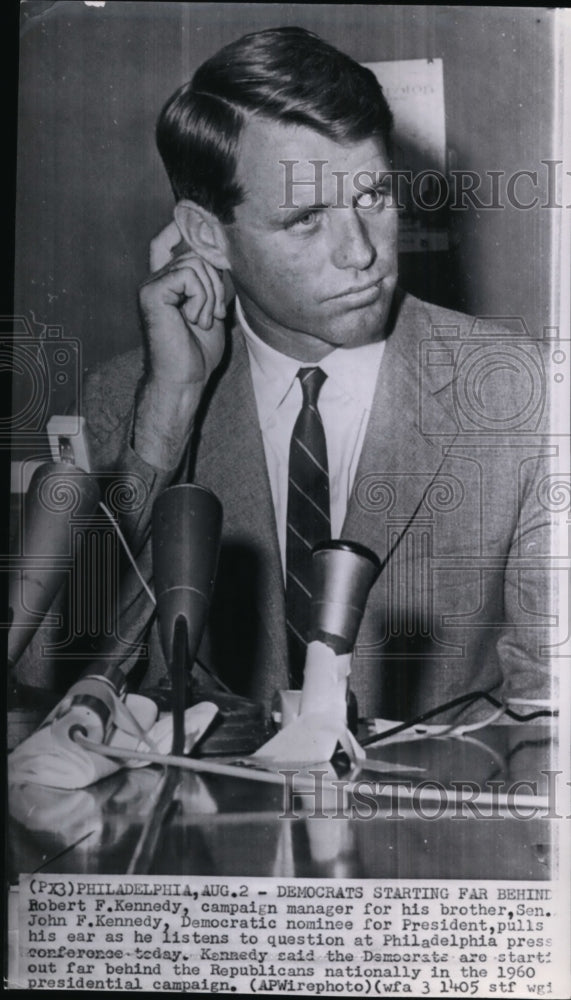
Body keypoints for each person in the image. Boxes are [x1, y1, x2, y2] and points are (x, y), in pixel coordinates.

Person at [18, 27, 554, 722]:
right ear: (207, 234)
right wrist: (166, 418)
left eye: (372, 197)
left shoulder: (521, 389)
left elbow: (549, 707)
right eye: (305, 219)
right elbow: (49, 674)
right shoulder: (128, 397)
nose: (360, 253)